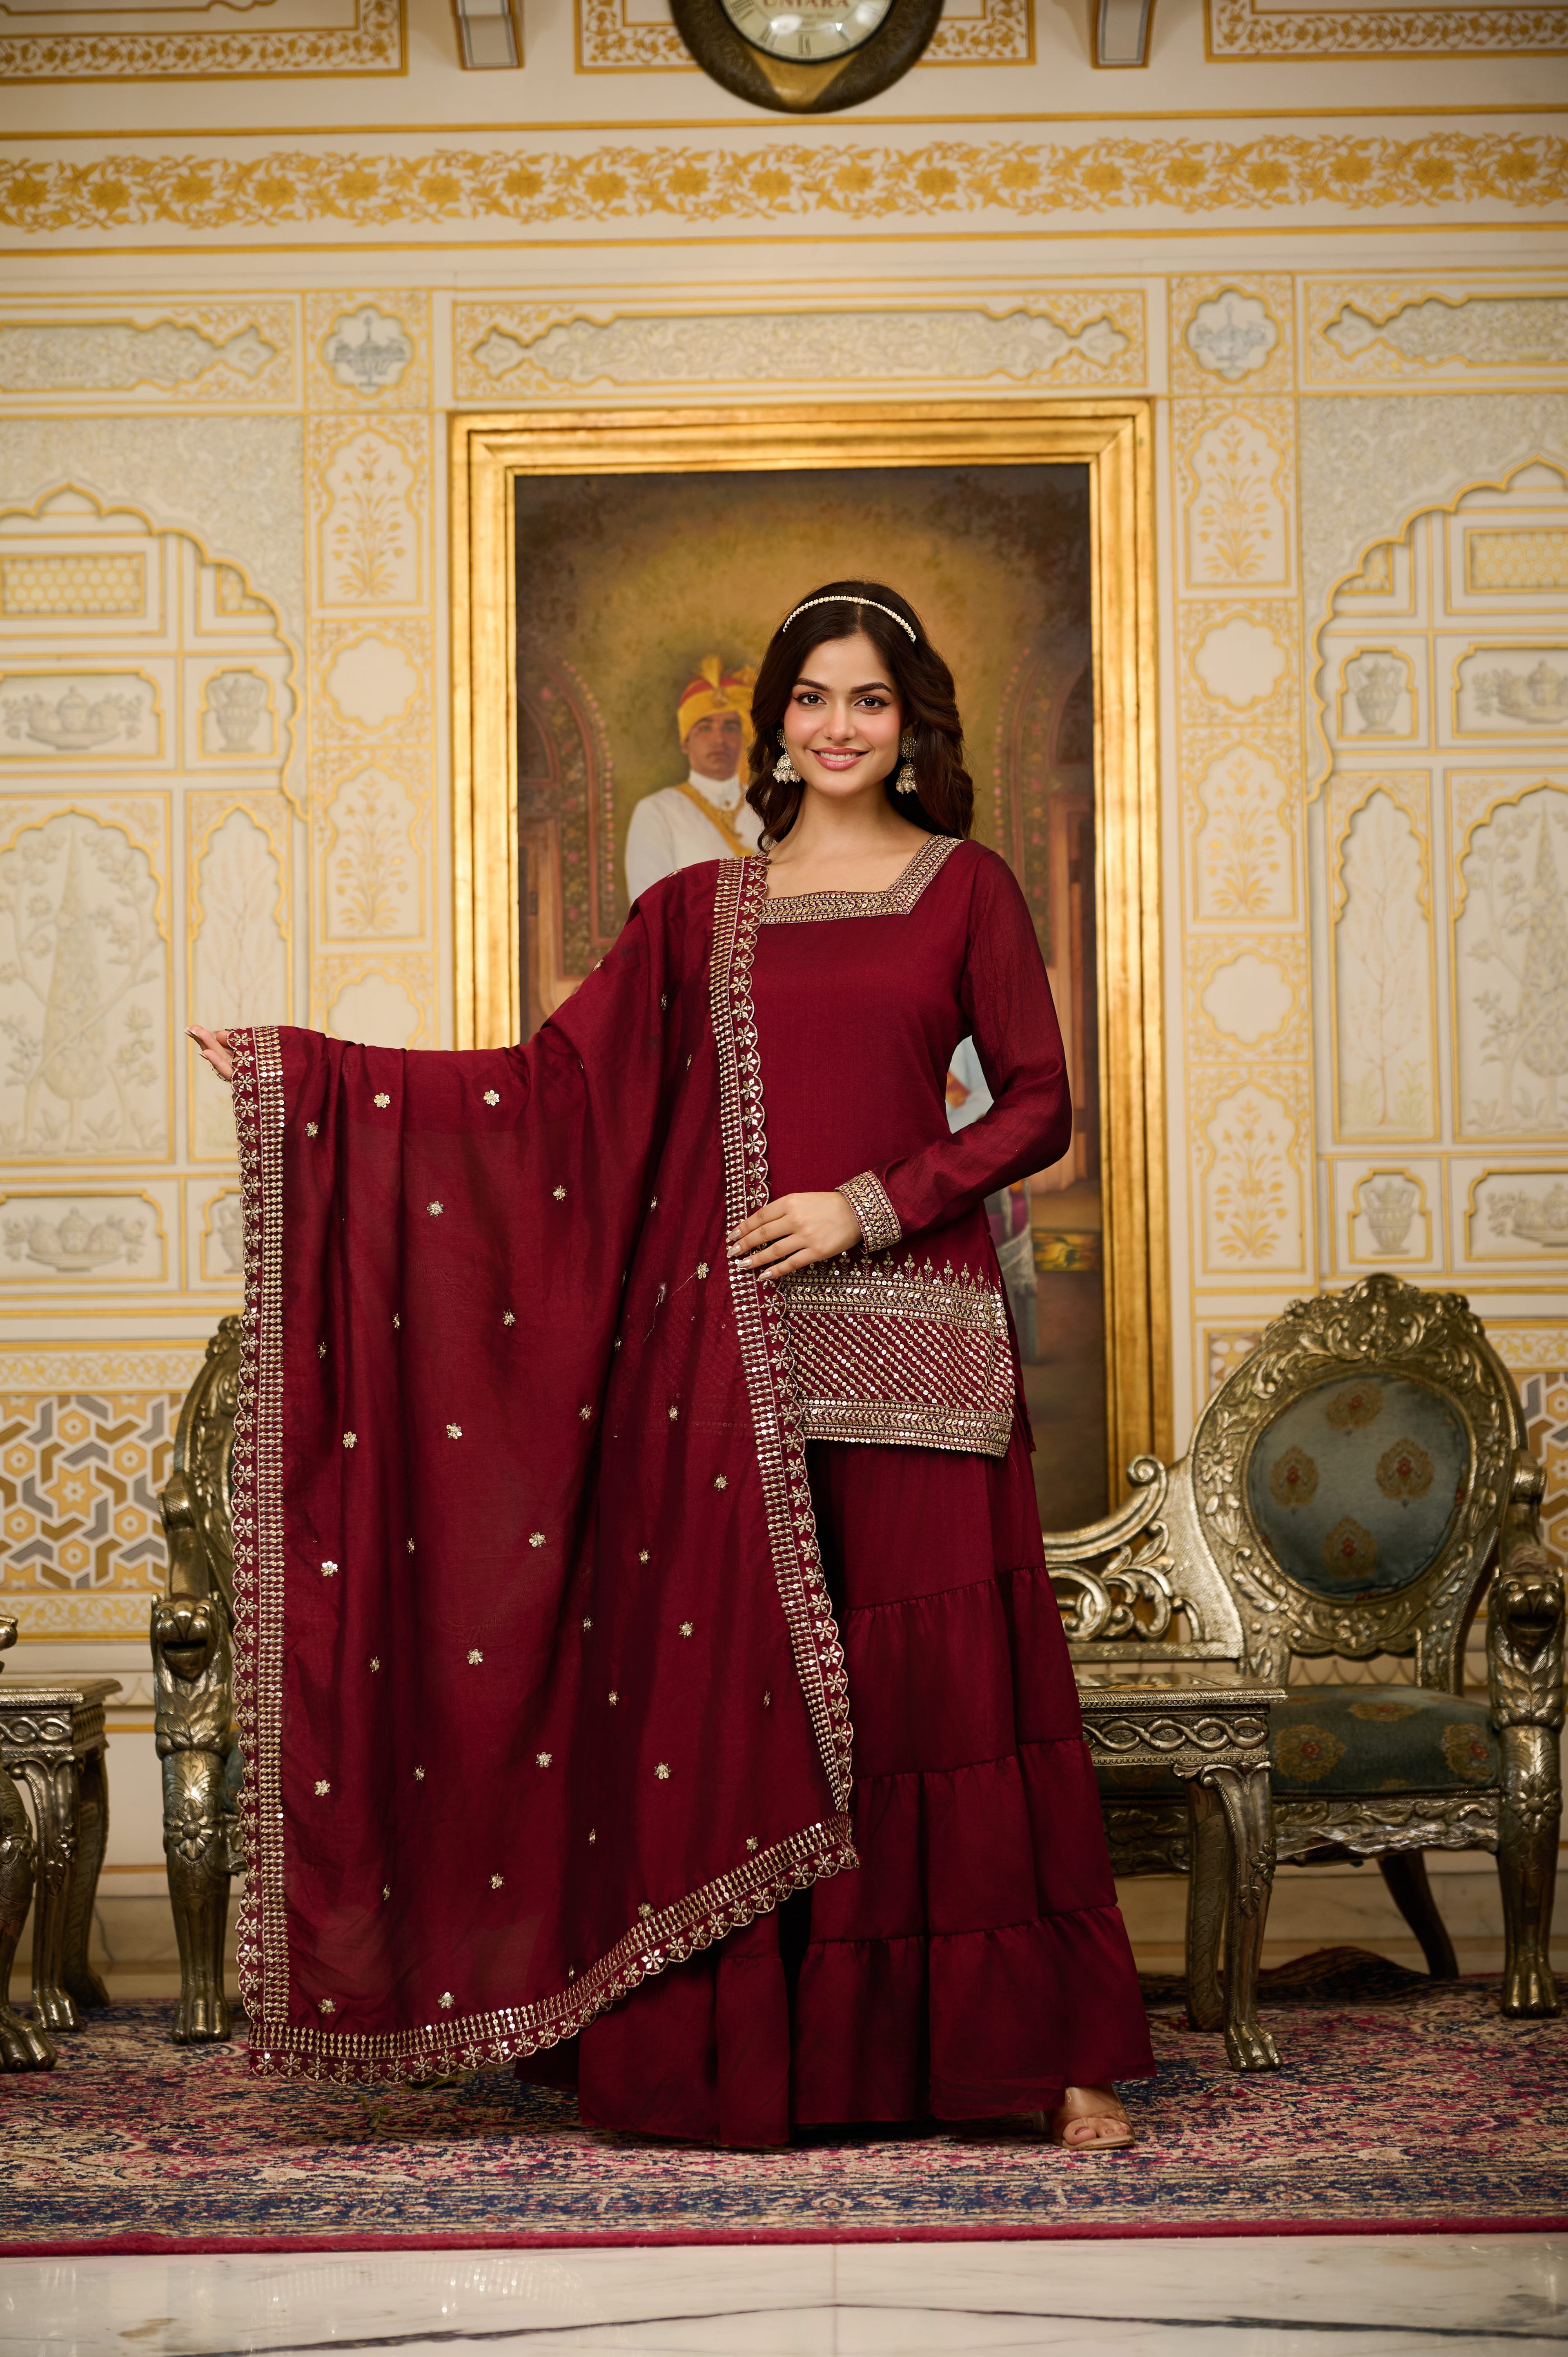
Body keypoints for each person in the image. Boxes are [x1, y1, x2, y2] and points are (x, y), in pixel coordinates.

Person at [189, 578, 1152, 2152]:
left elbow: (1037, 1104)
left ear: (913, 727)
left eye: (873, 703)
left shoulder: (965, 886)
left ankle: (1025, 2053)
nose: (839, 728)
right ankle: (769, 2057)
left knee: (940, 1707)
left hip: (913, 1344)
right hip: (736, 1365)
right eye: (815, 699)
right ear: (773, 719)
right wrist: (315, 1083)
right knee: (759, 1708)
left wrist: (867, 1204)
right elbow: (550, 1093)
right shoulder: (702, 911)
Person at [623, 655, 763, 902]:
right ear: (686, 742)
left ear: (744, 738)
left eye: (730, 727)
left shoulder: (767, 805)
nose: (719, 739)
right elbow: (650, 914)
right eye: (705, 728)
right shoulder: (657, 812)